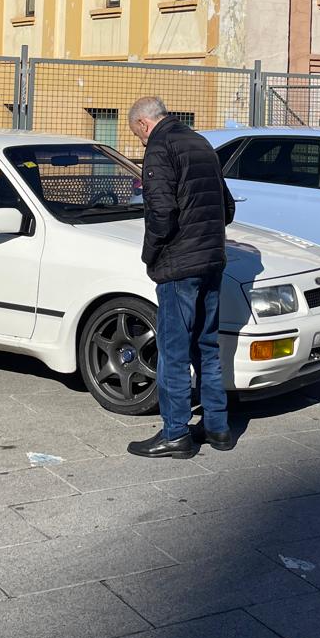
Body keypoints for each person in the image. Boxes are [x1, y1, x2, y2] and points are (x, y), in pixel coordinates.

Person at [126, 95, 235, 458]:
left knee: (172, 350)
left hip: (178, 264)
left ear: (144, 124)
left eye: (138, 135)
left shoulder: (160, 147)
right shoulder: (200, 142)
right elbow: (227, 207)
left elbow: (161, 211)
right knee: (206, 345)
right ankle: (217, 428)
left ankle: (175, 434)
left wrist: (150, 253)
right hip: (212, 260)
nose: (141, 142)